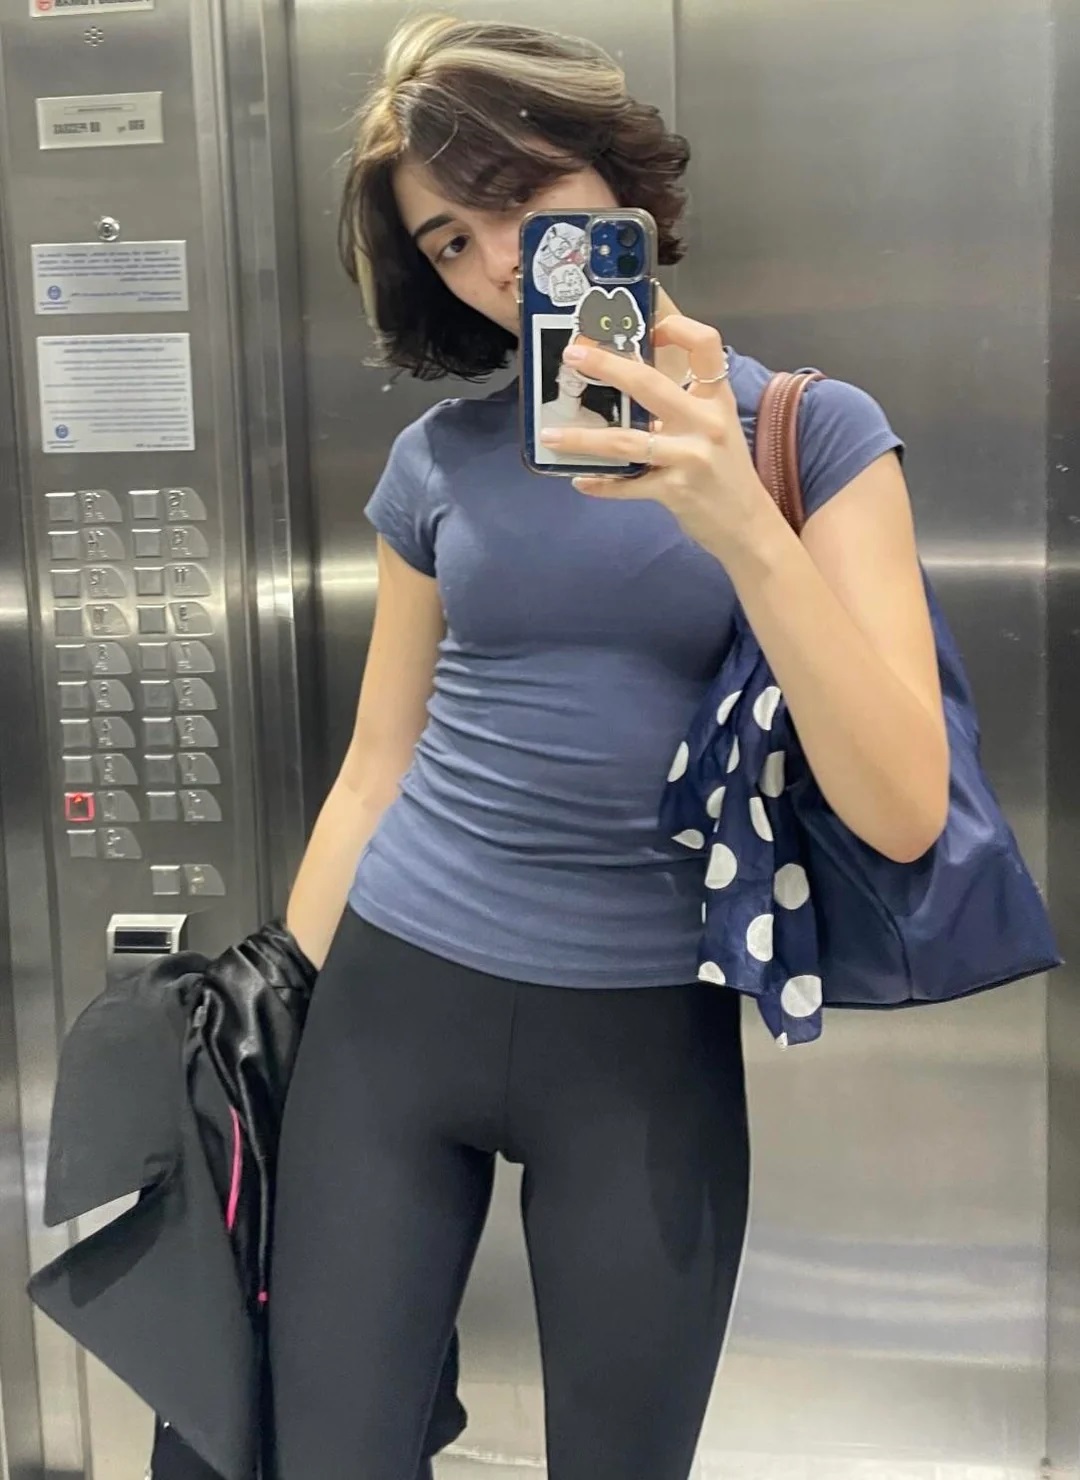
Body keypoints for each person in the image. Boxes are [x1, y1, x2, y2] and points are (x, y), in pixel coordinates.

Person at [269, 14, 949, 1480]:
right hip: (390, 1008)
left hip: (643, 1044)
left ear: (617, 182)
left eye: (524, 199)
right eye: (451, 241)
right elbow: (377, 763)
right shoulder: (439, 461)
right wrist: (274, 1008)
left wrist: (734, 516)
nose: (499, 262)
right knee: (326, 1450)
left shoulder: (818, 437)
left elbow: (902, 811)